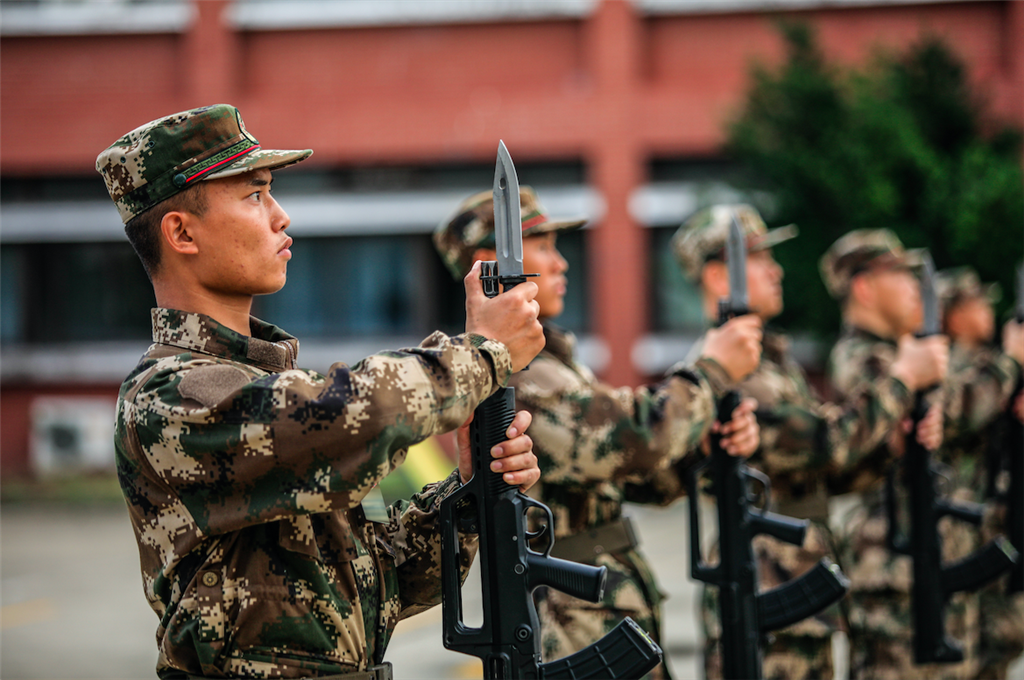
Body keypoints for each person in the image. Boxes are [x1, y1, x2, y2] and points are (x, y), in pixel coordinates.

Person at [96, 104, 546, 680]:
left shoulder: (258, 384)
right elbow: (363, 413)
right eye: (255, 195)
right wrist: (482, 351)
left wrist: (464, 488)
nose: (281, 216)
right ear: (182, 232)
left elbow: (379, 586)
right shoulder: (170, 397)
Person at [433, 188, 763, 680]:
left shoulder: (555, 365)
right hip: (570, 618)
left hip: (602, 605)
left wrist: (705, 447)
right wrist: (710, 371)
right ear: (492, 264)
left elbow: (636, 478)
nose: (562, 263)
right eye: (542, 246)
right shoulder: (513, 377)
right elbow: (636, 439)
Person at [671, 206, 949, 680]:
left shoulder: (771, 363)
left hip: (795, 583)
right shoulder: (733, 374)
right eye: (760, 259)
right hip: (762, 586)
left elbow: (825, 472)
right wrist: (901, 380)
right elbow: (828, 442)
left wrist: (892, 447)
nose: (777, 271)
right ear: (721, 277)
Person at [820, 229, 979, 680]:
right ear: (864, 287)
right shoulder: (862, 359)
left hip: (918, 559)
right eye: (900, 275)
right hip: (892, 565)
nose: (915, 287)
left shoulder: (894, 355)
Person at [935, 266, 1024, 680]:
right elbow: (965, 410)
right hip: (964, 523)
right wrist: (1011, 362)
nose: (988, 309)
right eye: (976, 301)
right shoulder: (948, 364)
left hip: (992, 522)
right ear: (952, 313)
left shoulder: (989, 365)